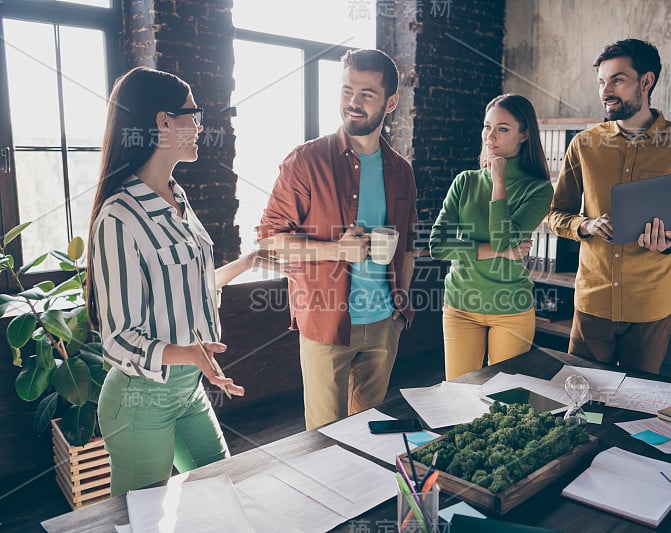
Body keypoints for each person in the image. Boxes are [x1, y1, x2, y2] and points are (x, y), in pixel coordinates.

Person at [86, 67, 264, 496]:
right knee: (142, 521)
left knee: (225, 492)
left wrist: (248, 262)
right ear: (162, 121)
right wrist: (191, 353)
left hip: (187, 389)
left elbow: (189, 289)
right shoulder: (119, 217)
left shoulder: (176, 197)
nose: (200, 125)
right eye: (193, 114)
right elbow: (118, 339)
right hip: (139, 400)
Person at [258, 49, 417, 430]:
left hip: (383, 324)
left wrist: (399, 308)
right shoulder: (306, 161)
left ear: (390, 102)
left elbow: (408, 245)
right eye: (347, 91)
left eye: (366, 94)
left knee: (370, 432)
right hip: (325, 324)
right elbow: (269, 239)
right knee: (324, 442)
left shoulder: (401, 171)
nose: (353, 103)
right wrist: (337, 250)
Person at [547, 39, 671, 373]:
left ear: (646, 81)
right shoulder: (584, 145)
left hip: (651, 307)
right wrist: (585, 225)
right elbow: (553, 214)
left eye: (617, 80)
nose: (606, 90)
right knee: (583, 403)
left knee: (634, 410)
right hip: (592, 303)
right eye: (601, 82)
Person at [429, 94, 554, 380]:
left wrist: (498, 181)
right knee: (459, 400)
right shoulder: (465, 181)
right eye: (487, 127)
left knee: (504, 402)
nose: (491, 136)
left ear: (524, 135)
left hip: (510, 308)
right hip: (460, 305)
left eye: (503, 129)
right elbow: (437, 245)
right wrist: (498, 252)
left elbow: (504, 240)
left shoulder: (539, 189)